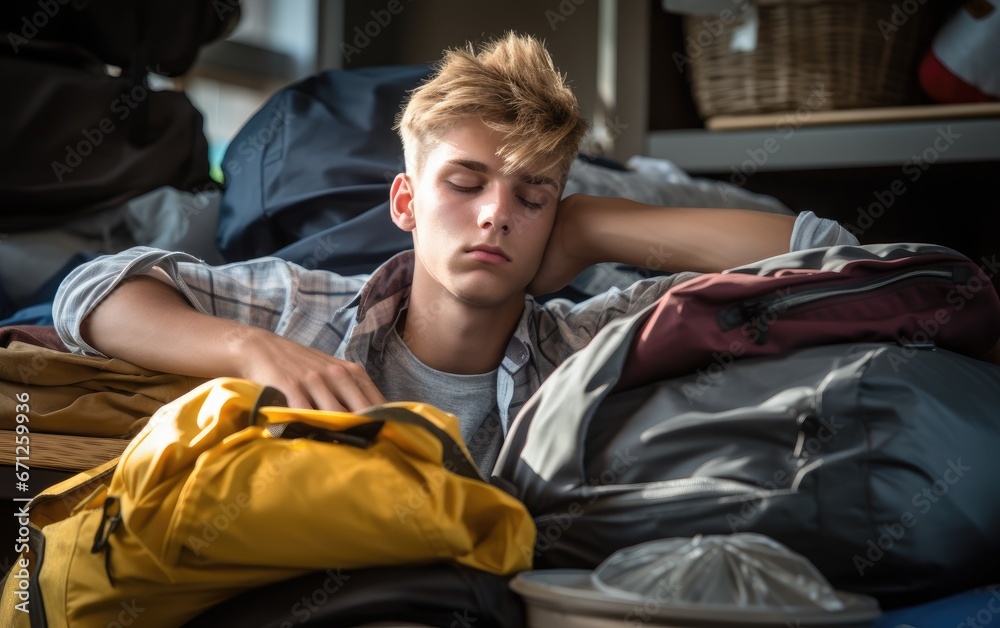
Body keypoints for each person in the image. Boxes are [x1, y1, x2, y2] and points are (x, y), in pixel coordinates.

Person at [53, 33, 857, 472]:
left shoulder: (587, 344)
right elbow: (89, 292)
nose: (496, 215)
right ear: (406, 203)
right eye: (465, 184)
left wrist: (590, 226)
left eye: (531, 197)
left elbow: (832, 258)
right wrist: (250, 349)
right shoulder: (308, 308)